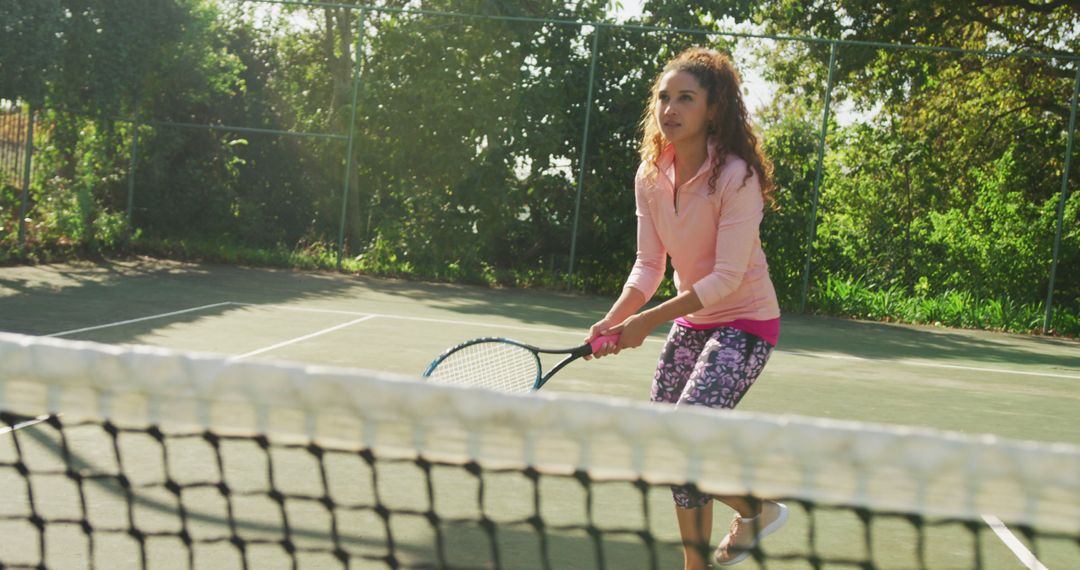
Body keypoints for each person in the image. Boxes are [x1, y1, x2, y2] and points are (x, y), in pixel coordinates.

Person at [587, 46, 788, 568]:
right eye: (662, 97)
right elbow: (647, 266)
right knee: (666, 445)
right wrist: (613, 321)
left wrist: (645, 323)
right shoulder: (650, 176)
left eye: (685, 98)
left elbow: (724, 279)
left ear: (714, 109)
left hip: (745, 323)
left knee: (685, 438)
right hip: (693, 320)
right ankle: (756, 512)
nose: (669, 108)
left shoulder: (736, 177)